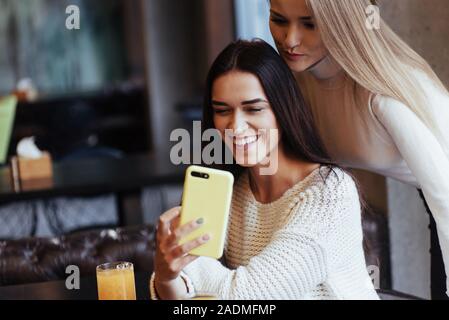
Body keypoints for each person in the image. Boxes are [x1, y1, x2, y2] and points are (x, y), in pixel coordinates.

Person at [149, 40, 379, 300]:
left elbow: (247, 296)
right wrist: (167, 276)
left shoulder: (329, 192)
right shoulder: (230, 189)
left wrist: (189, 268)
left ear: (283, 109)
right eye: (222, 111)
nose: (235, 127)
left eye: (254, 109)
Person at [268, 0, 449, 299]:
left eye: (309, 24)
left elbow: (445, 196)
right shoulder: (296, 77)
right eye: (279, 20)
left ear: (345, 21)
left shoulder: (383, 95)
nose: (290, 39)